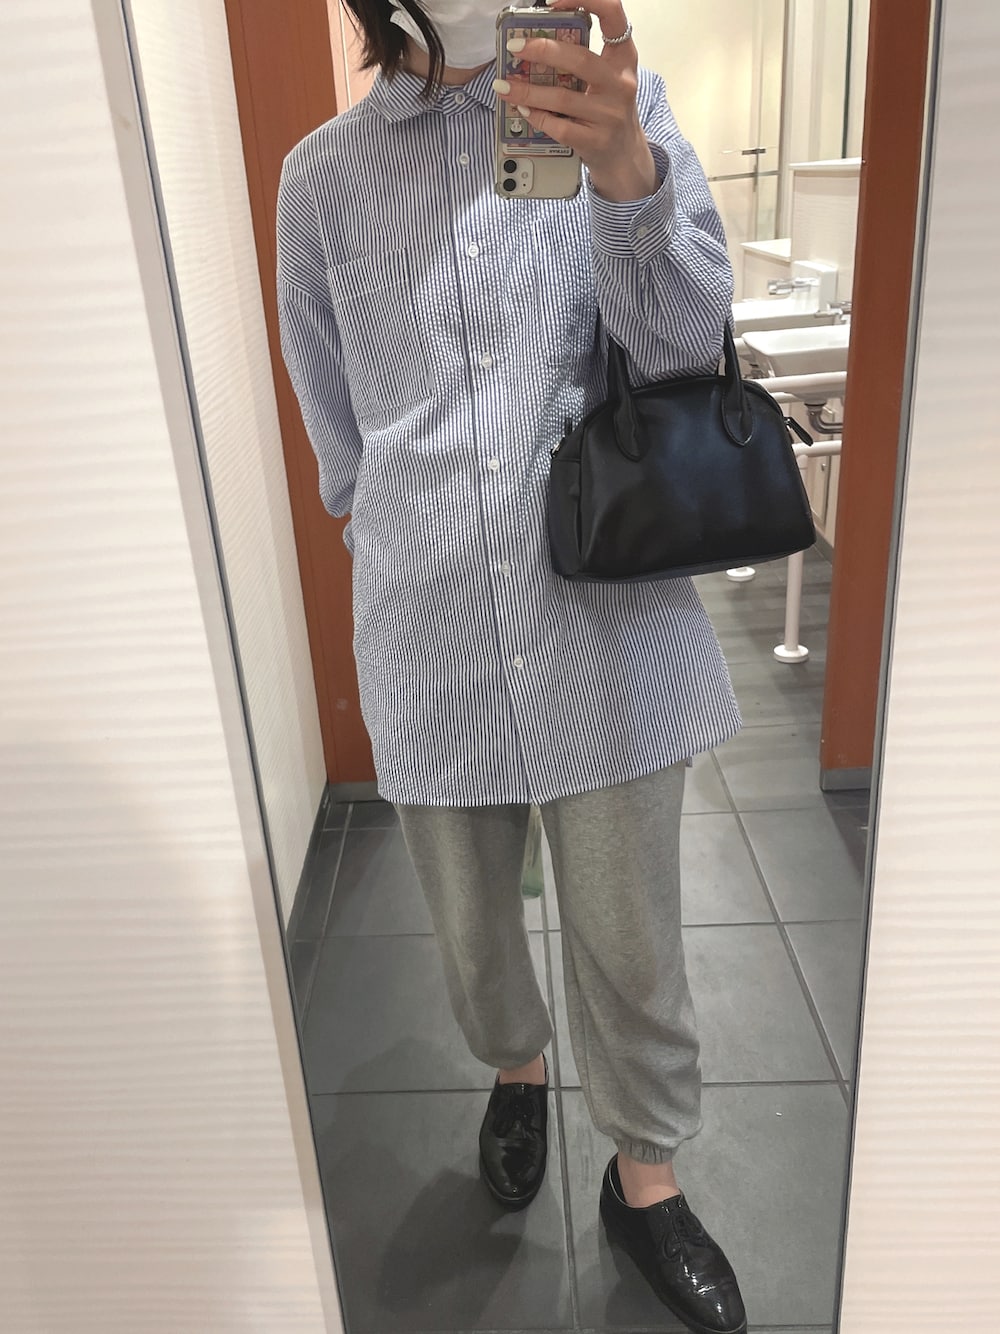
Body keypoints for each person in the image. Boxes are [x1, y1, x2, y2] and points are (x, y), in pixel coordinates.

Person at [277, 3, 747, 1331]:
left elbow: (686, 353)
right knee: (473, 924)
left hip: (602, 616)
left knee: (632, 931)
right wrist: (401, 519)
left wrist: (626, 178)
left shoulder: (614, 115)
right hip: (428, 629)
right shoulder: (322, 176)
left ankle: (646, 1176)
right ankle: (517, 1068)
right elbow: (329, 408)